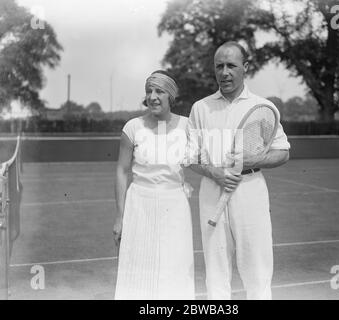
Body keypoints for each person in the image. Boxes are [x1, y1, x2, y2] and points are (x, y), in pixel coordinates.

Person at [186, 41, 290, 300]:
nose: (224, 72)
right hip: (212, 191)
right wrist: (215, 173)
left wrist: (254, 158)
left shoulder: (262, 106)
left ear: (245, 67)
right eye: (219, 66)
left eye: (231, 65)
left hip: (250, 191)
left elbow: (283, 152)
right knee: (216, 272)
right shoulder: (201, 108)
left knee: (257, 270)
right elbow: (190, 156)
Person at [113, 70, 195, 300]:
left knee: (175, 269)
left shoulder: (188, 126)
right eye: (149, 91)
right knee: (138, 270)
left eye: (159, 91)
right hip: (139, 205)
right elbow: (121, 170)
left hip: (175, 206)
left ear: (171, 95)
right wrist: (120, 217)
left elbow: (204, 161)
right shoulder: (132, 128)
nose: (153, 96)